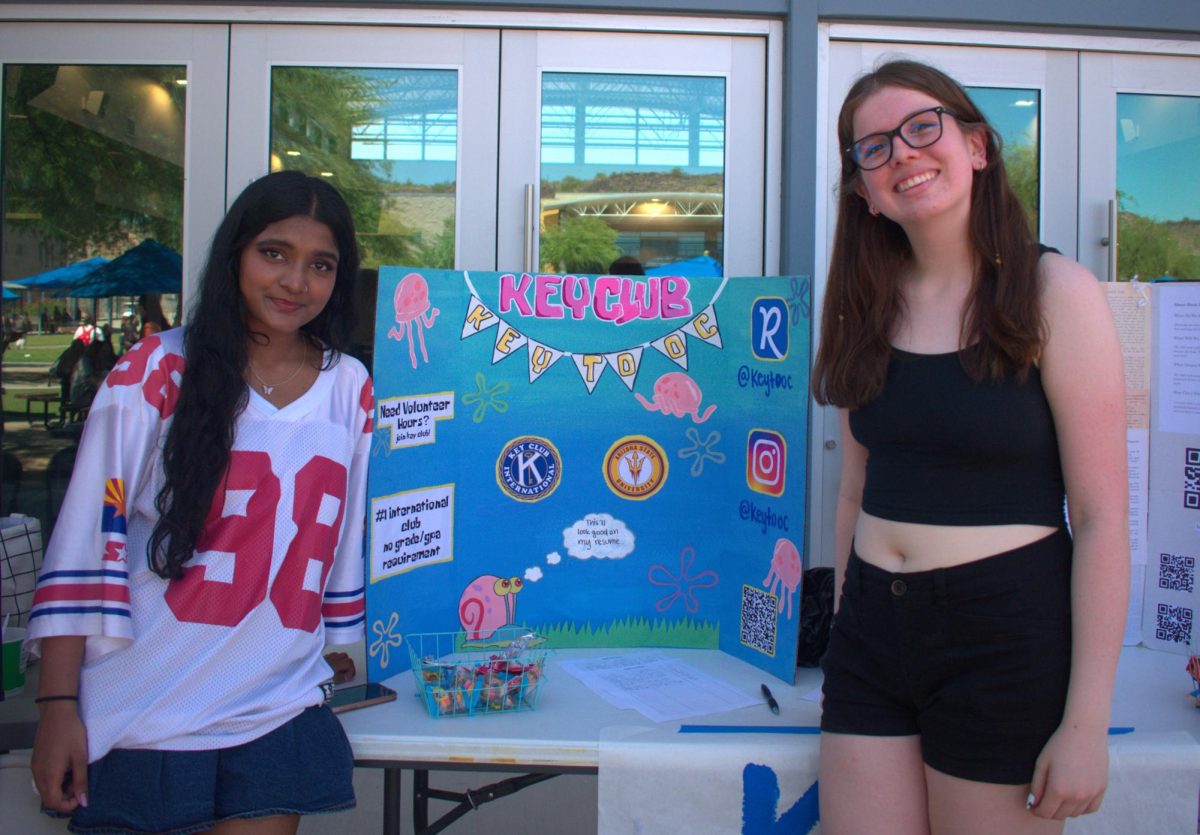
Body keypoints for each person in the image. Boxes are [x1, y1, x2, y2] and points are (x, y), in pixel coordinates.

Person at [812, 60, 1127, 834]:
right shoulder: (866, 307)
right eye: (874, 148)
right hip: (871, 638)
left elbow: (1101, 517)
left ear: (978, 146)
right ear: (862, 191)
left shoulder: (1057, 294)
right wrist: (851, 618)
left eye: (924, 128)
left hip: (1005, 633)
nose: (903, 156)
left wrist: (1086, 722)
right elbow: (855, 487)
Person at [26, 170, 373, 835]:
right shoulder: (154, 370)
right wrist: (58, 703)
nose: (295, 281)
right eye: (274, 253)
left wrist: (336, 648)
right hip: (143, 708)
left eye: (320, 264)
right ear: (235, 255)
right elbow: (83, 543)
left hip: (275, 707)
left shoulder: (349, 386)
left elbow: (336, 542)